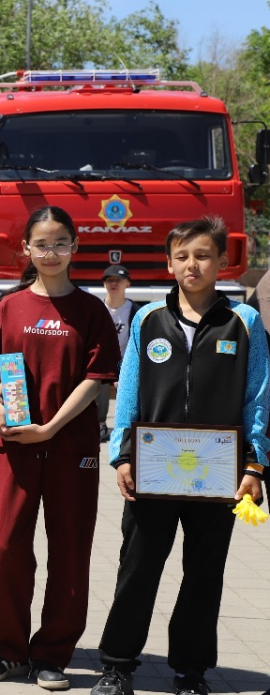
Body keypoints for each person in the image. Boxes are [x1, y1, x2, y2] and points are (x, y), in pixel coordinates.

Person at [90, 217, 267, 695]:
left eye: (204, 255)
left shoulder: (244, 322)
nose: (193, 264)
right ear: (169, 263)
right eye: (183, 256)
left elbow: (258, 397)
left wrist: (255, 464)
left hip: (219, 473)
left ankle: (191, 673)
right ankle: (118, 666)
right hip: (154, 467)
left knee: (204, 574)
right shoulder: (149, 319)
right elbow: (128, 392)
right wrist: (123, 456)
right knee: (137, 568)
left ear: (222, 262)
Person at [0, 206, 120, 690]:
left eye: (60, 243)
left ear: (74, 247)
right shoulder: (10, 307)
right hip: (14, 443)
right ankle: (7, 649)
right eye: (41, 244)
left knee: (70, 551)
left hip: (69, 444)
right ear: (27, 250)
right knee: (6, 546)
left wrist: (52, 427)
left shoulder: (91, 311)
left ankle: (53, 653)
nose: (50, 252)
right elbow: (0, 373)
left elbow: (97, 381)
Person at [94, 264, 135, 442]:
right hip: (103, 360)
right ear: (104, 284)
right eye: (109, 280)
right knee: (98, 379)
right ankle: (100, 423)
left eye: (118, 280)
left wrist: (124, 371)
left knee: (132, 382)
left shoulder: (136, 311)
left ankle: (129, 425)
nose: (114, 284)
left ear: (128, 284)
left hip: (127, 360)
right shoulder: (96, 309)